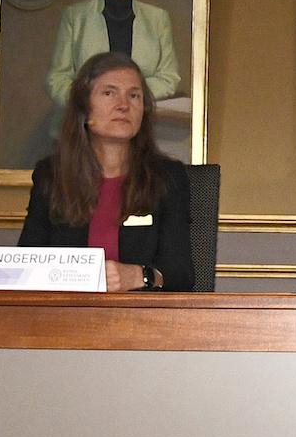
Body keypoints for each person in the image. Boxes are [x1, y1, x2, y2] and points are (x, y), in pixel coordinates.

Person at [19, 52, 196, 291]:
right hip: (66, 319)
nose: (123, 105)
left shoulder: (168, 177)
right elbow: (26, 267)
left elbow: (182, 275)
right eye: (109, 93)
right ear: (85, 109)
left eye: (134, 95)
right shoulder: (51, 176)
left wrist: (138, 276)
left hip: (142, 320)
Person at [46, 0, 181, 106]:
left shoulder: (158, 18)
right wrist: (90, 102)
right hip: (86, 118)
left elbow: (169, 77)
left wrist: (129, 96)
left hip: (142, 118)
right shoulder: (74, 16)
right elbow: (56, 79)